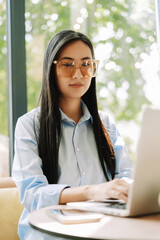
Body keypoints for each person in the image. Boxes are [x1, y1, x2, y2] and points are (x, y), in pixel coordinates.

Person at [12, 30, 132, 240]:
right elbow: (32, 194)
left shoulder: (106, 124)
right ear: (51, 68)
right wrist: (92, 192)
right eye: (67, 65)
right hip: (50, 235)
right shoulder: (29, 125)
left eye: (86, 64)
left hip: (102, 231)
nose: (78, 74)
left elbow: (126, 177)